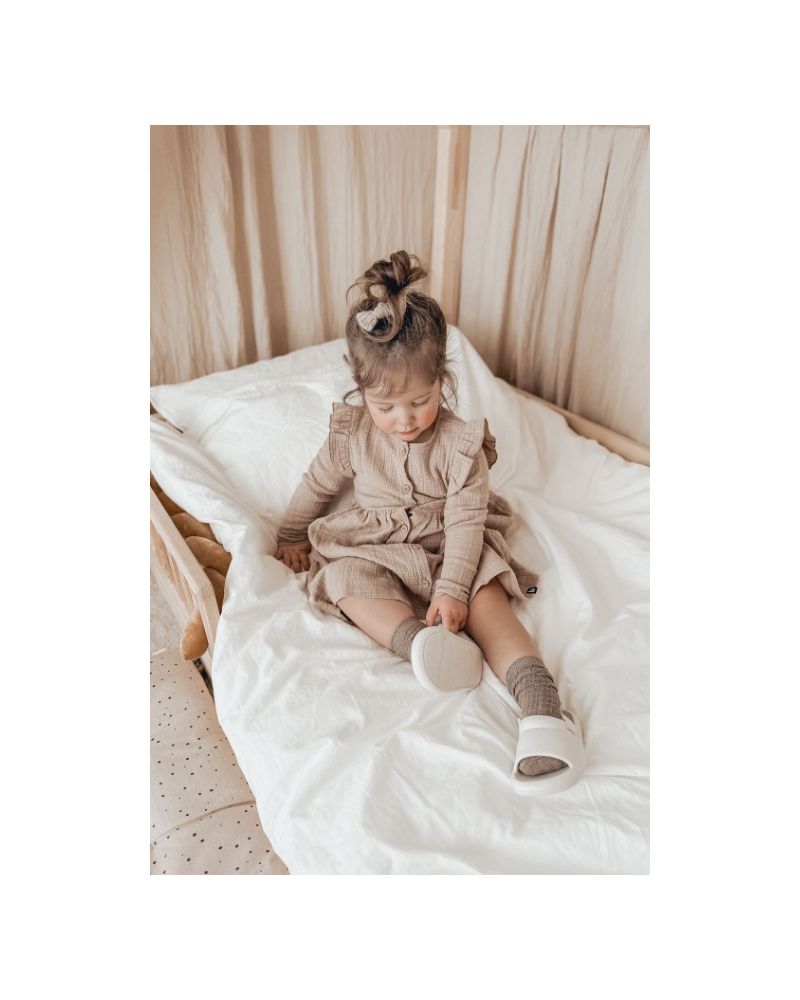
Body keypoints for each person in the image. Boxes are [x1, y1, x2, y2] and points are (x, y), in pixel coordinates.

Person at [275, 251, 583, 792]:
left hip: (451, 543)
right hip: (377, 545)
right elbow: (317, 484)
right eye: (386, 407)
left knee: (488, 603)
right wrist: (291, 533)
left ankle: (542, 709)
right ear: (361, 391)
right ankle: (420, 643)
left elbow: (465, 524)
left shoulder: (460, 445)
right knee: (345, 580)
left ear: (443, 379)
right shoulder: (351, 436)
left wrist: (453, 589)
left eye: (420, 401)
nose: (405, 420)